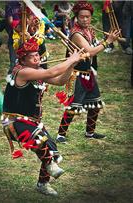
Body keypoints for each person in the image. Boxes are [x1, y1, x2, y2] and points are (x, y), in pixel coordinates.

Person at [2, 38, 82, 195]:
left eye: (38, 55)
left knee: (50, 148)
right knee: (41, 142)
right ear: (23, 59)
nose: (37, 58)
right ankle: (50, 165)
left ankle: (42, 184)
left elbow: (59, 80)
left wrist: (71, 65)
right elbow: (51, 72)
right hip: (15, 120)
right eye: (32, 56)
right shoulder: (22, 72)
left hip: (33, 122)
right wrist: (71, 58)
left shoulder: (36, 72)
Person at [56, 1, 120, 144]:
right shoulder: (76, 33)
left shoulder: (89, 30)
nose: (85, 19)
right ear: (76, 17)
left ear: (91, 17)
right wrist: (108, 41)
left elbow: (94, 46)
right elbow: (90, 52)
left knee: (95, 103)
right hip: (76, 74)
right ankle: (61, 134)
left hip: (87, 72)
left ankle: (90, 132)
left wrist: (107, 38)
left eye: (88, 17)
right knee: (73, 106)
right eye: (82, 17)